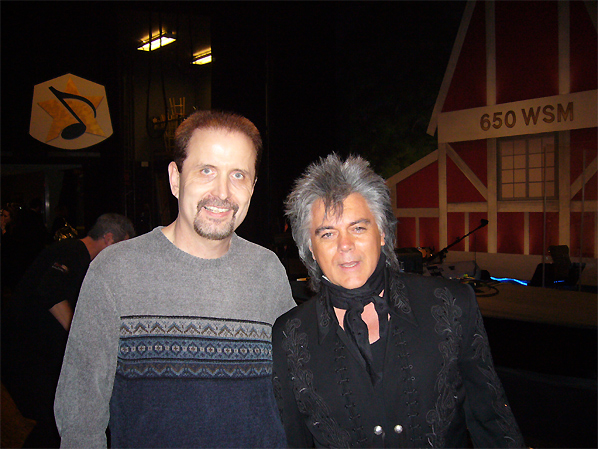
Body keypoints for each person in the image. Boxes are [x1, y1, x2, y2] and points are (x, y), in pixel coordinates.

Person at [54, 110, 297, 448]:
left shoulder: (267, 271)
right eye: (206, 170)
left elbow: (294, 388)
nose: (223, 192)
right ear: (176, 178)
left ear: (252, 188)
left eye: (238, 175)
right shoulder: (116, 271)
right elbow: (80, 417)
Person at [272, 154, 525, 448]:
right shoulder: (289, 336)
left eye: (358, 228)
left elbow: (493, 424)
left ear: (382, 234)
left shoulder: (450, 305)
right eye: (328, 233)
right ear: (311, 250)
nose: (345, 246)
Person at [2, 213, 135, 448]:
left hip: (32, 352)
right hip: (27, 353)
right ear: (109, 239)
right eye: (122, 246)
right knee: (50, 424)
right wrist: (79, 334)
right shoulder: (73, 253)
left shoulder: (76, 255)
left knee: (49, 425)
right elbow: (49, 291)